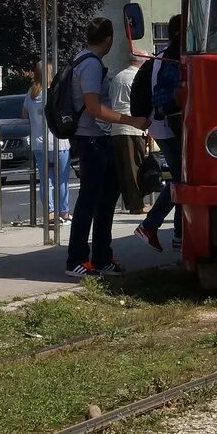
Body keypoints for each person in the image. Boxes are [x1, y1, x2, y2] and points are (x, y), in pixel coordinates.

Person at [66, 17, 148, 278]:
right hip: (90, 139)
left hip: (95, 138)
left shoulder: (82, 59)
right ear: (109, 39)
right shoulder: (89, 65)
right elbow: (93, 107)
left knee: (106, 199)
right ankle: (76, 259)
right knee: (90, 201)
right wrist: (130, 119)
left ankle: (102, 256)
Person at [135, 15, 186, 251]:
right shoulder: (173, 57)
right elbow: (168, 92)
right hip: (169, 123)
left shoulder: (162, 56)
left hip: (162, 123)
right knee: (180, 181)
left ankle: (178, 233)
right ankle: (151, 225)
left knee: (181, 179)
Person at [23, 63, 69, 221]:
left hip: (38, 143)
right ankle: (64, 212)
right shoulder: (55, 92)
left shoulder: (31, 93)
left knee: (45, 180)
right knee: (61, 180)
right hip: (59, 141)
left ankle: (49, 213)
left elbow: (24, 114)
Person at [105, 53, 147, 212]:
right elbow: (140, 103)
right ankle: (137, 205)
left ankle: (132, 203)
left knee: (125, 169)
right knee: (135, 168)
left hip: (117, 127)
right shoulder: (137, 78)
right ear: (143, 62)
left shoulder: (118, 77)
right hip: (132, 126)